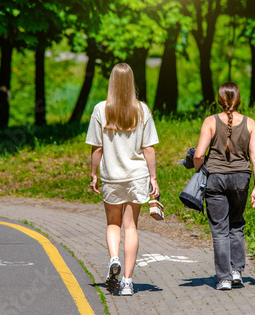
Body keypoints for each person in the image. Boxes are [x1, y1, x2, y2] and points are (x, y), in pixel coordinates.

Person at [86, 63, 160, 296]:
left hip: (112, 176)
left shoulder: (100, 110)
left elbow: (97, 148)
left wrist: (93, 174)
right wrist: (154, 178)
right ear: (131, 83)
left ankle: (113, 259)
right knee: (131, 227)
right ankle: (127, 282)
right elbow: (148, 148)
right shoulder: (142, 110)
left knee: (112, 223)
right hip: (136, 176)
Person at [193, 82, 255, 290]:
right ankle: (236, 272)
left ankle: (224, 278)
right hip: (241, 178)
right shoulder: (250, 123)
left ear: (219, 100)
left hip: (215, 178)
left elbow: (198, 154)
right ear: (238, 99)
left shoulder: (210, 122)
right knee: (236, 224)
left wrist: (198, 172)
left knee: (220, 229)